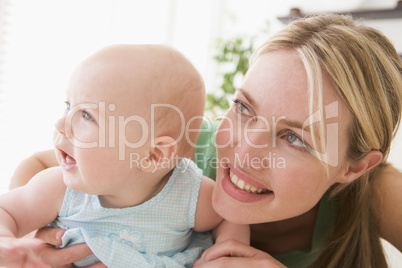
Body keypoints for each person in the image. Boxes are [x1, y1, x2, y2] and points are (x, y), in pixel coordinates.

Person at [5, 13, 402, 267]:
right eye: (244, 108)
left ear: (353, 167)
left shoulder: (378, 190)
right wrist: (47, 238)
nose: (244, 151)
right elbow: (42, 167)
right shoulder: (177, 150)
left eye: (294, 138)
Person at [0, 44, 249, 267]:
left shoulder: (188, 195)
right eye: (68, 105)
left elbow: (229, 216)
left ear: (153, 155)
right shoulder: (59, 190)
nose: (60, 124)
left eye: (87, 115)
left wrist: (226, 251)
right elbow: (7, 212)